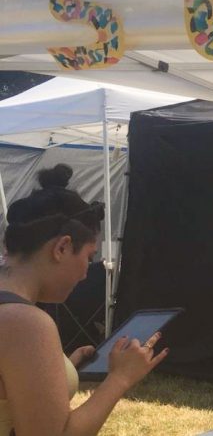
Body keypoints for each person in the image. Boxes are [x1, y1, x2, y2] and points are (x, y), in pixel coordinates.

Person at [0, 165, 167, 436]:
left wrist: (61, 365)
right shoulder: (25, 322)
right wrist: (120, 379)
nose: (86, 272)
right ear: (62, 247)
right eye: (89, 257)